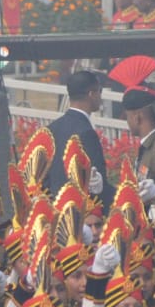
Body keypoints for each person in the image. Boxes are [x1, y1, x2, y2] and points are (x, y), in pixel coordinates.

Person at [45, 69, 113, 209]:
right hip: (80, 215)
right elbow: (96, 184)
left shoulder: (52, 128)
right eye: (99, 91)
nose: (100, 97)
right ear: (91, 94)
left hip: (56, 211)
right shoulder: (86, 133)